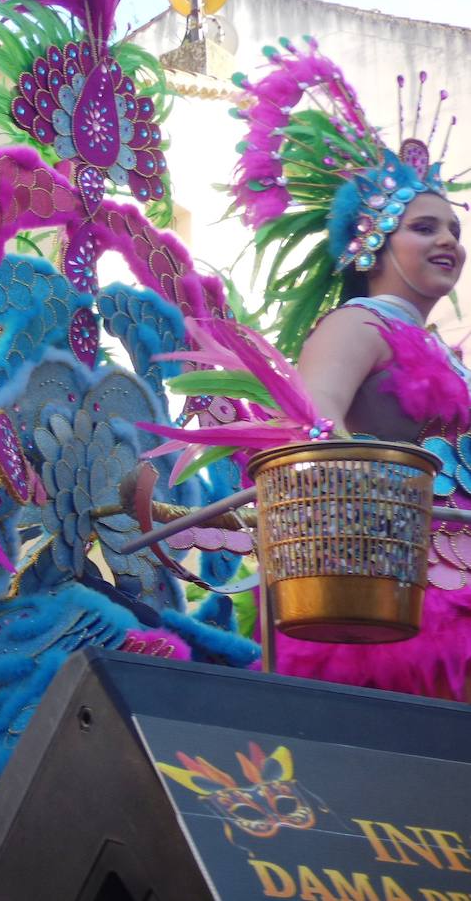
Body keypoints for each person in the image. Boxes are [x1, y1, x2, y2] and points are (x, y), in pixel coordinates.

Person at [230, 38, 471, 701]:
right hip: (387, 604)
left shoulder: (443, 351)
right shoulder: (358, 323)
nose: (449, 240)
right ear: (373, 240)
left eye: (454, 228)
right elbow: (308, 424)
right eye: (425, 227)